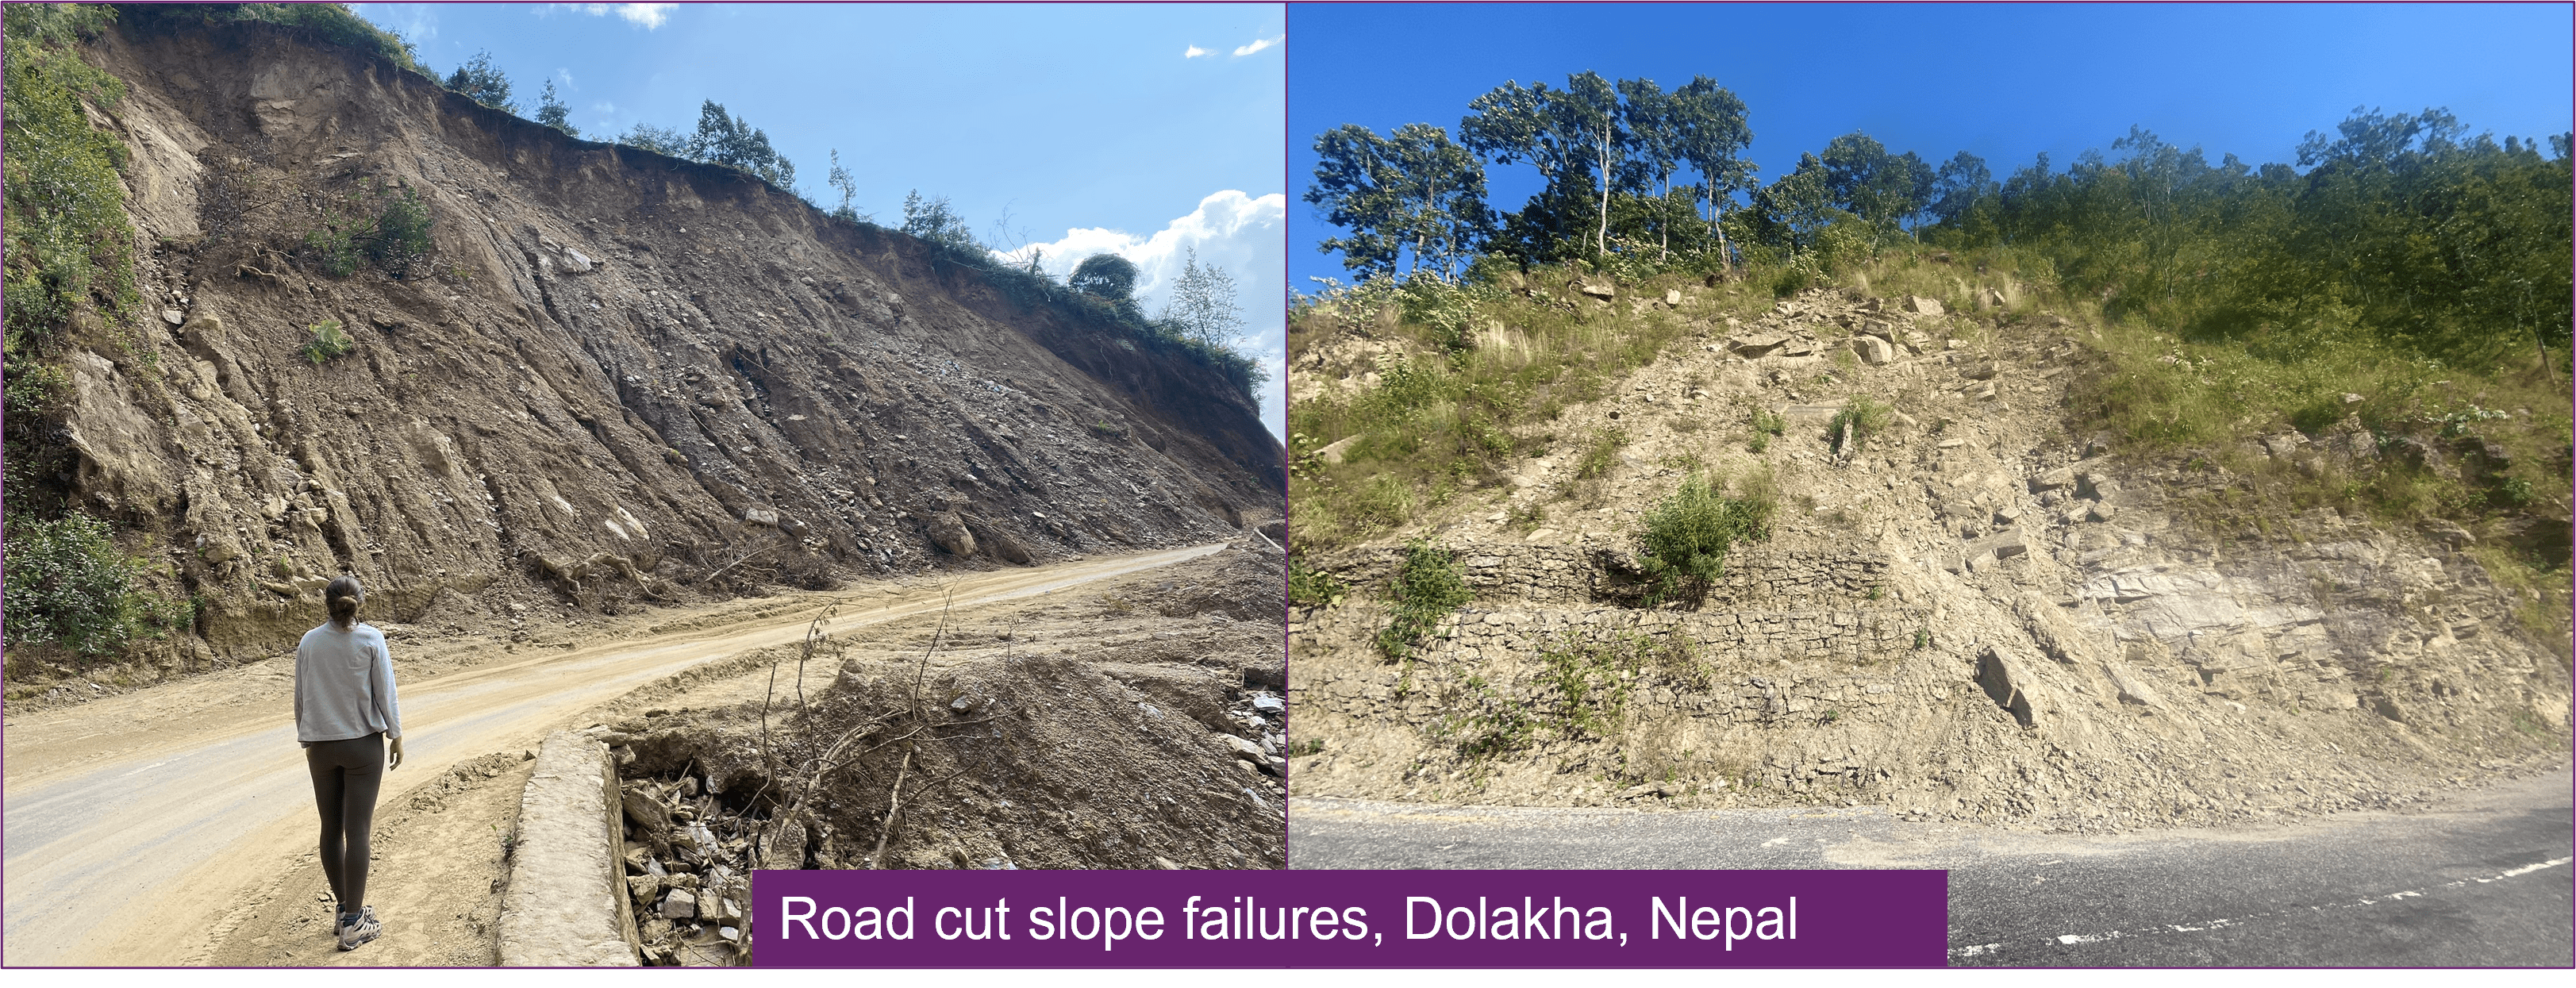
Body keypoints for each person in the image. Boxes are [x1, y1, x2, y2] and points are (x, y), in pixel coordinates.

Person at [295, 575, 404, 951]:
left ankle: (345, 912)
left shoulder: (309, 641)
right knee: (358, 831)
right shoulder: (371, 639)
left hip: (320, 746)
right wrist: (396, 733)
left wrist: (306, 734)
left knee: (331, 828)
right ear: (360, 602)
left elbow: (302, 695)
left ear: (326, 604)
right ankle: (356, 923)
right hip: (362, 746)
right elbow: (384, 692)